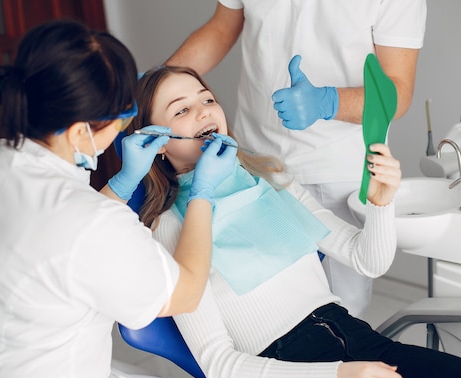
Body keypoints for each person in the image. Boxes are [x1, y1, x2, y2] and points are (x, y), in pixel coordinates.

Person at [133, 65, 461, 378]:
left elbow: (366, 259)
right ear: (157, 145)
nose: (204, 111)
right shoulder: (170, 228)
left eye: (207, 98)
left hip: (359, 340)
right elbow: (221, 368)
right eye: (181, 109)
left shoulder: (270, 179)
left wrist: (380, 205)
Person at [0, 20, 238, 378]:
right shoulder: (87, 223)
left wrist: (123, 182)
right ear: (80, 132)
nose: (127, 122)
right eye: (122, 115)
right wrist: (202, 192)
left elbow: (70, 237)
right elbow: (186, 292)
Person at [164, 0, 427, 316]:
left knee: (342, 309)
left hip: (333, 166)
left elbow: (398, 91)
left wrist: (327, 102)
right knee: (263, 308)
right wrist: (156, 83)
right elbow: (221, 28)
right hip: (254, 161)